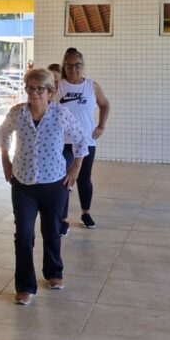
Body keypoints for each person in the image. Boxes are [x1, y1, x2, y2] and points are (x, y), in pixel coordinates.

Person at [0, 68, 91, 305]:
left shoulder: (61, 114)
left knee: (51, 230)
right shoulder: (18, 113)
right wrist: (5, 160)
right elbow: (3, 132)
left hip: (54, 183)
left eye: (40, 89)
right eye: (30, 88)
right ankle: (25, 285)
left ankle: (53, 273)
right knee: (24, 234)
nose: (34, 93)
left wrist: (75, 169)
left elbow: (82, 138)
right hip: (23, 184)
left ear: (50, 92)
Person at [56, 48, 111, 231]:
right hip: (63, 142)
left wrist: (101, 126)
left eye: (77, 65)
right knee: (64, 179)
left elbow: (104, 104)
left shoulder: (91, 86)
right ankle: (63, 219)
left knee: (84, 178)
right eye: (70, 65)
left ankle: (85, 213)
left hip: (87, 141)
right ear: (65, 66)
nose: (74, 69)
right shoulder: (58, 86)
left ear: (83, 66)